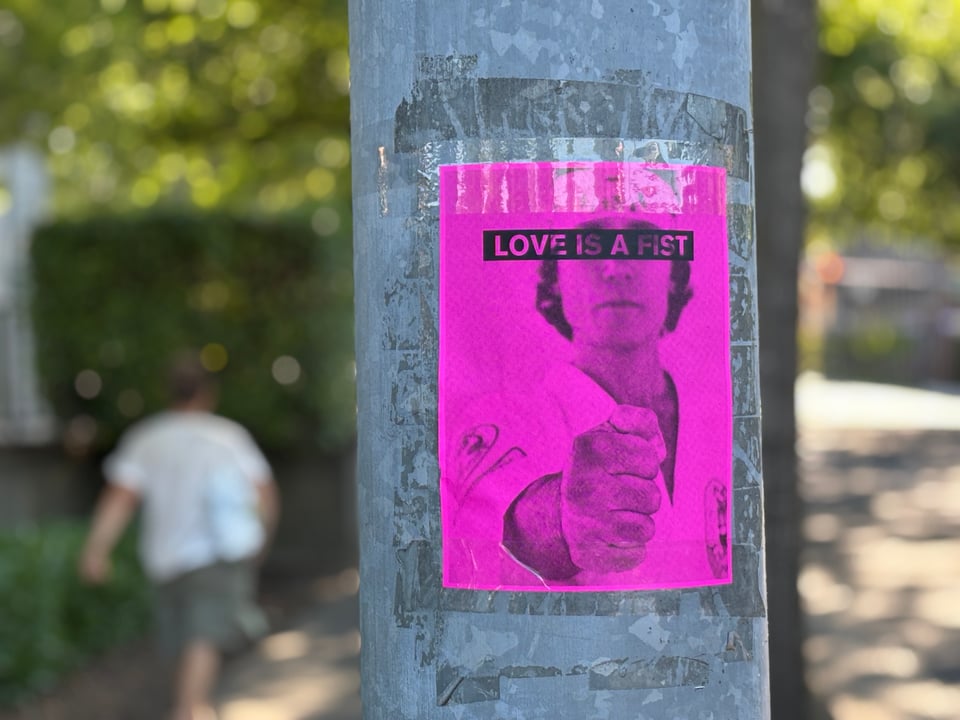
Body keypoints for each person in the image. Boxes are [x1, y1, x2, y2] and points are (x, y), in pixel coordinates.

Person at [442, 218, 728, 590]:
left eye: (642, 243)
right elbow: (500, 520)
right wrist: (561, 517)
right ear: (556, 278)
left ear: (672, 271)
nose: (617, 267)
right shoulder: (509, 415)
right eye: (590, 245)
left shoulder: (712, 415)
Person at [79, 354, 279, 720]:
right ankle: (191, 709)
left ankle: (189, 707)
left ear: (168, 392)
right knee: (200, 640)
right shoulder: (228, 436)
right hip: (216, 556)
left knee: (184, 640)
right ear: (207, 393)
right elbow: (265, 493)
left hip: (164, 558)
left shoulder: (146, 438)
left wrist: (96, 550)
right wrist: (261, 541)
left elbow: (119, 500)